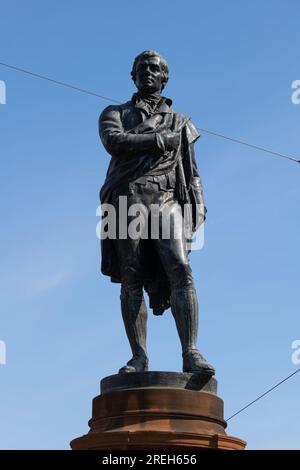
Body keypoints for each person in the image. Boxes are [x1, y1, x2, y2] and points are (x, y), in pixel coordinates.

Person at [99, 50, 214, 376]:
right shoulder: (114, 112)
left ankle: (191, 352)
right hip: (127, 198)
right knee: (131, 274)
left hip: (167, 199)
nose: (148, 72)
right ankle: (138, 357)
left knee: (180, 267)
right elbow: (114, 141)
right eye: (142, 68)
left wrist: (199, 207)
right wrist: (158, 140)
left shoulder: (182, 123)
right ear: (133, 76)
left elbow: (191, 171)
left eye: (155, 68)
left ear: (165, 78)